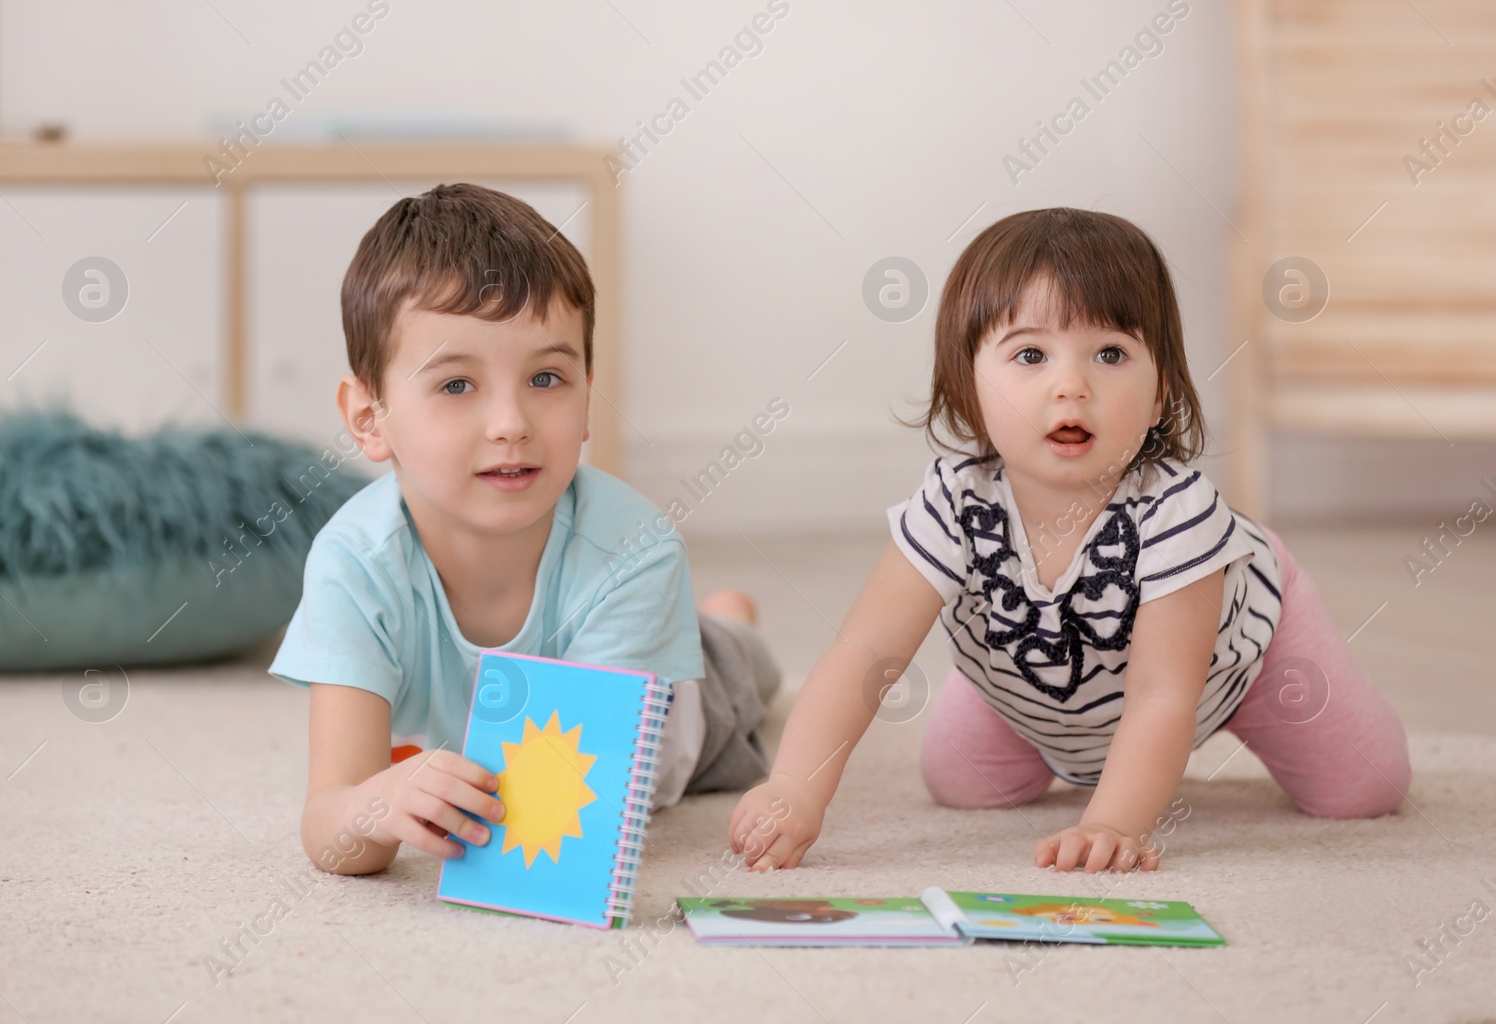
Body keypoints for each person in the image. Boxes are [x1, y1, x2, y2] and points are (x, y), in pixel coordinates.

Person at [729, 207, 1411, 874]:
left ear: (1158, 394)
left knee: (1364, 789)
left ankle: (1257, 619)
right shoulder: (953, 501)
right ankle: (1018, 684)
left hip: (1233, 664)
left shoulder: (1177, 513)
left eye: (1110, 353)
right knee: (960, 782)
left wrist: (1113, 822)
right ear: (968, 388)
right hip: (1042, 672)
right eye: (1030, 353)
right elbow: (863, 653)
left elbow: (1162, 694)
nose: (1071, 385)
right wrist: (796, 784)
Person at [270, 183, 779, 875]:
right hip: (583, 658)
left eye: (546, 378)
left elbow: (575, 820)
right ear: (369, 418)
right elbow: (330, 824)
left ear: (588, 394)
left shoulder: (636, 550)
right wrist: (377, 804)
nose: (511, 422)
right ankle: (716, 614)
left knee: (743, 667)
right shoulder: (353, 564)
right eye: (456, 385)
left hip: (688, 705)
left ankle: (727, 620)